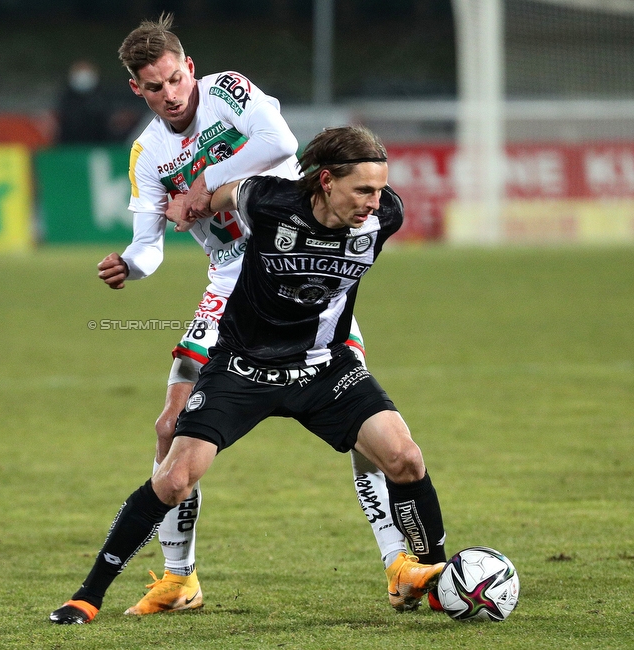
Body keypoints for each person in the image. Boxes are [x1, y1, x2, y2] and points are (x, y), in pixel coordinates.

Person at [85, 15, 425, 620]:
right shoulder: (148, 152)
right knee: (170, 426)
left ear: (189, 67)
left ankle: (399, 562)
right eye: (154, 87)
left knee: (365, 421)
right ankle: (177, 577)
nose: (171, 95)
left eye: (175, 79)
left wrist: (207, 185)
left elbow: (282, 147)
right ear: (137, 89)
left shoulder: (230, 92)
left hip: (301, 262)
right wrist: (130, 267)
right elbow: (149, 244)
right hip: (229, 279)